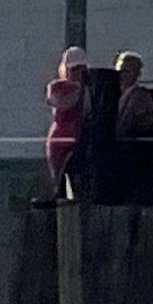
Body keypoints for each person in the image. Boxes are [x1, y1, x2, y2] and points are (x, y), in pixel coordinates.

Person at [44, 47, 89, 198]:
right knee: (59, 187)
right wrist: (80, 90)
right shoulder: (56, 87)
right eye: (74, 69)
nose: (78, 73)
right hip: (60, 141)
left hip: (81, 141)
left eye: (81, 69)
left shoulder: (89, 88)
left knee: (81, 187)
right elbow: (60, 102)